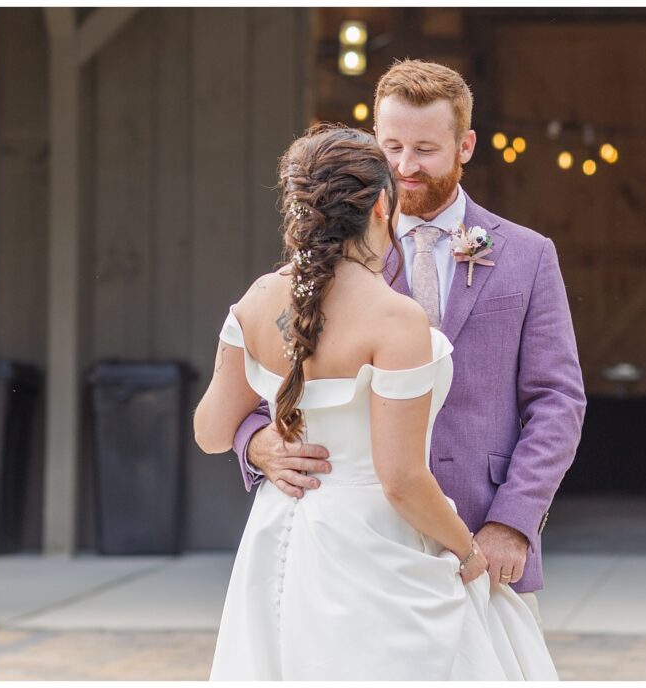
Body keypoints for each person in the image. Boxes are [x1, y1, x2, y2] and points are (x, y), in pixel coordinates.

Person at [196, 123, 559, 679]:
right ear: (381, 205)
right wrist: (465, 553)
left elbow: (211, 430)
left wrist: (264, 436)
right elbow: (401, 479)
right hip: (377, 543)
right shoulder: (394, 319)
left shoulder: (258, 299)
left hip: (279, 539)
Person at [232, 60, 585, 626]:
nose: (403, 166)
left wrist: (512, 522)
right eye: (390, 146)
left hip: (482, 533)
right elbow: (260, 381)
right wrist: (256, 444)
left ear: (465, 145)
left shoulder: (529, 256)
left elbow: (558, 402)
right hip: (360, 550)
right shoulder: (323, 262)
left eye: (424, 149)